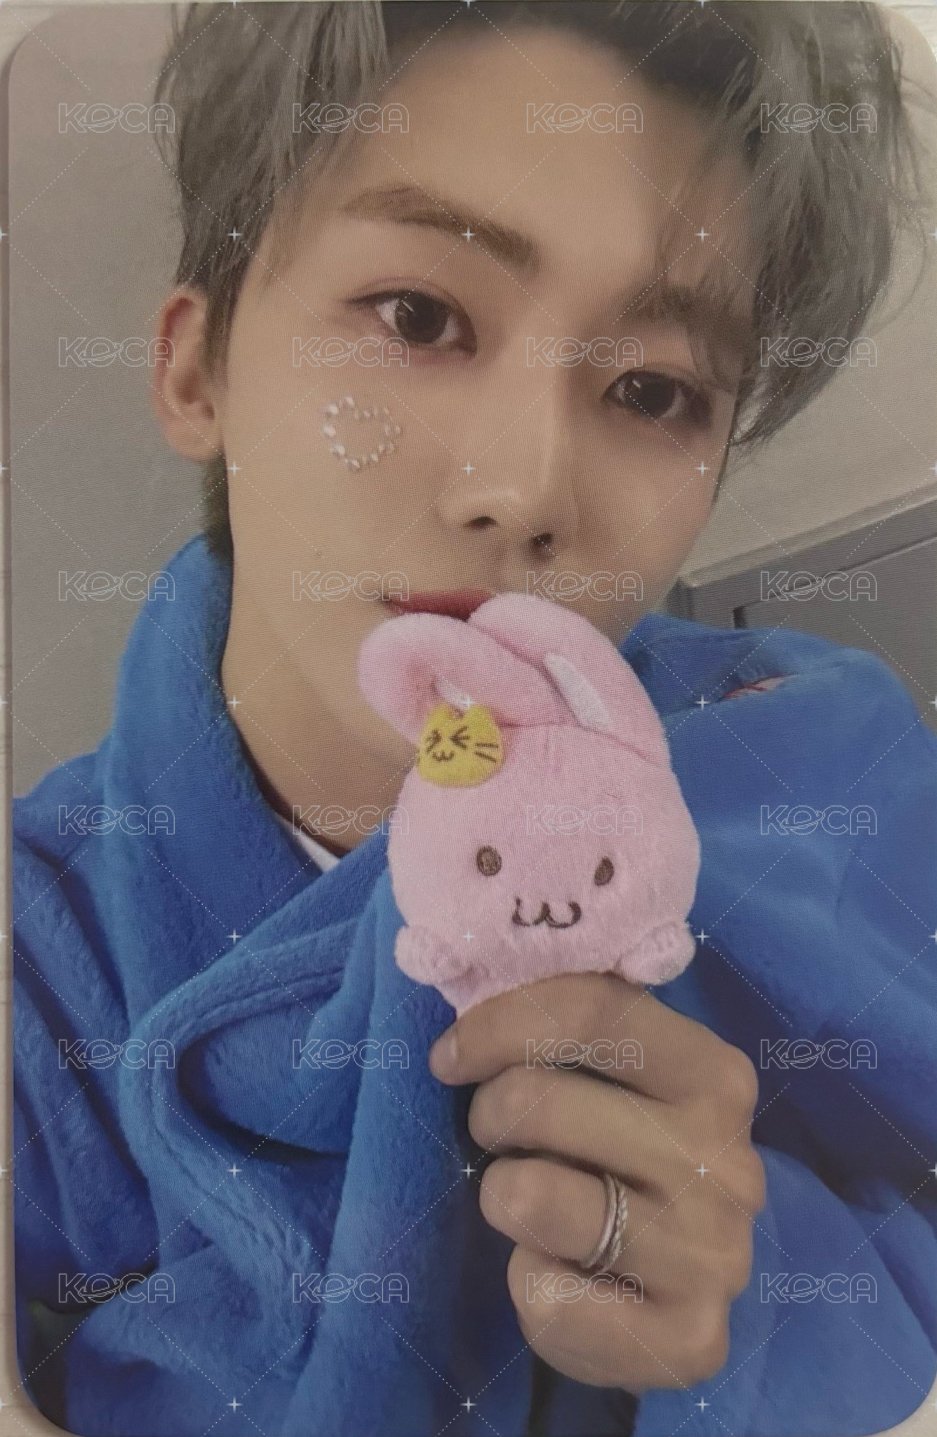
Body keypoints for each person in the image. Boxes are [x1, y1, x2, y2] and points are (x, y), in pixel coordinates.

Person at [12, 4, 937, 1435]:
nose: (525, 487)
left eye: (650, 389)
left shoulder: (823, 762)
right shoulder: (40, 961)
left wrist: (761, 1310)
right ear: (198, 371)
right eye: (418, 316)